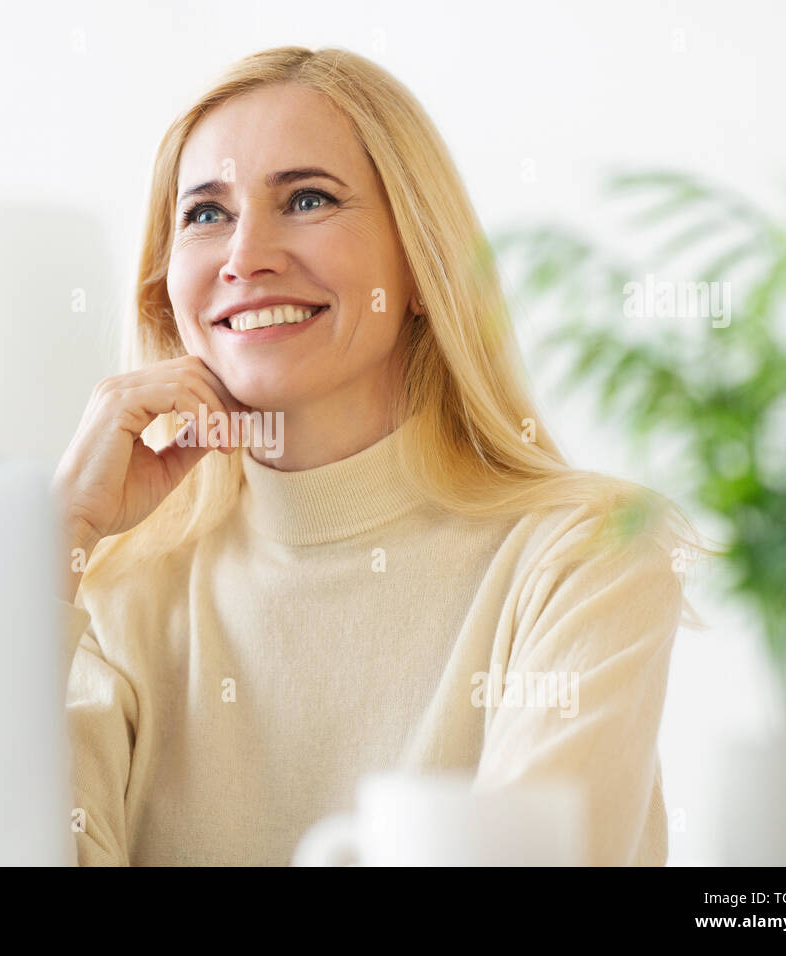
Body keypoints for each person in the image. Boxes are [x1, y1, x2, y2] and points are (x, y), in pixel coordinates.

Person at [50, 45, 710, 866]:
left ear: (422, 266)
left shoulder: (585, 554)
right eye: (206, 213)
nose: (244, 255)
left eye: (307, 198)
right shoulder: (109, 598)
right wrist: (59, 539)